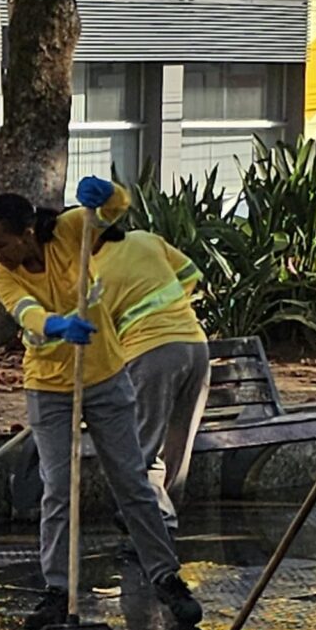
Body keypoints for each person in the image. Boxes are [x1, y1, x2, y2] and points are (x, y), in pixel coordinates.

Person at [0, 179, 203, 630]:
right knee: (59, 487)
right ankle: (57, 590)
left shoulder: (69, 230)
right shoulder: (1, 274)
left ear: (26, 232)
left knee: (132, 480)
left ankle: (165, 576)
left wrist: (107, 193)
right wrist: (56, 325)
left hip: (105, 376)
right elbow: (25, 312)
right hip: (48, 386)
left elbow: (117, 208)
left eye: (0, 242)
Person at [92, 214, 210, 524]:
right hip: (194, 345)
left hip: (149, 354)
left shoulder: (92, 273)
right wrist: (171, 310)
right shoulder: (146, 239)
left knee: (142, 445)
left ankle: (155, 523)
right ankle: (164, 516)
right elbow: (189, 273)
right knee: (178, 443)